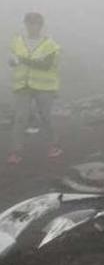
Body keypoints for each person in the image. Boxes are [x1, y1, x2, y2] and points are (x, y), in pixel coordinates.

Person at [7, 12, 63, 164]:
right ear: (25, 24)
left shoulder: (50, 44)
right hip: (23, 85)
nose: (32, 27)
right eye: (29, 23)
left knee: (46, 117)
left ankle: (54, 145)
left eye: (35, 24)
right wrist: (12, 61)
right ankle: (16, 151)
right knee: (20, 118)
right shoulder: (17, 41)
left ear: (41, 26)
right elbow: (12, 61)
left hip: (44, 86)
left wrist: (23, 60)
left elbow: (46, 65)